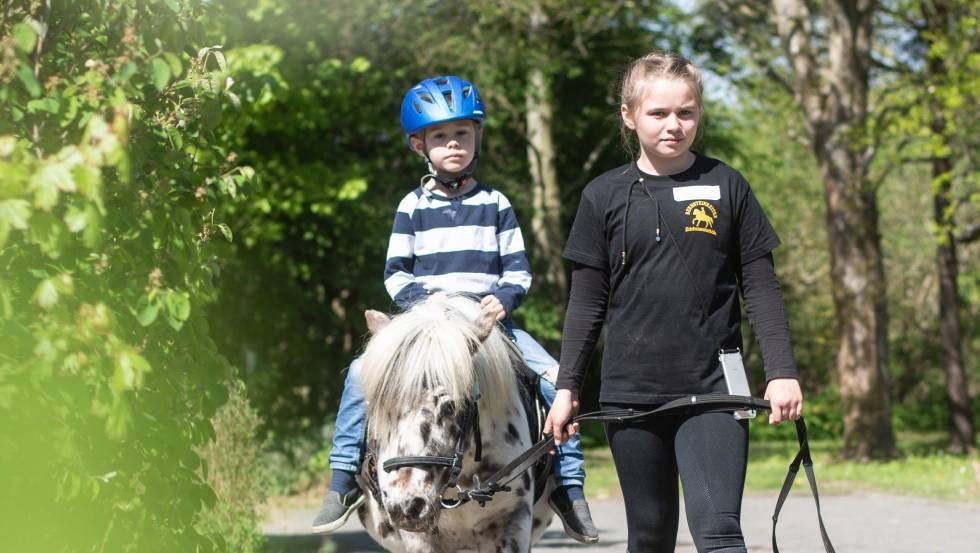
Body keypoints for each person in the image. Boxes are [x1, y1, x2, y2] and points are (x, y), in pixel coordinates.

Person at [312, 76, 598, 543]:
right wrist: (423, 311)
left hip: (486, 325)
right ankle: (344, 476)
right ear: (418, 145)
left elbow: (518, 272)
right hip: (427, 325)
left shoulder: (496, 204)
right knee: (359, 372)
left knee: (553, 378)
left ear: (477, 138)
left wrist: (502, 301)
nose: (453, 145)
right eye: (440, 137)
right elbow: (396, 272)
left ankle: (569, 486)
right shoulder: (411, 206)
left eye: (462, 134)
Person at [543, 51, 804, 553]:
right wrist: (567, 386)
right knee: (650, 536)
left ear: (698, 114)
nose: (673, 125)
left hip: (714, 391)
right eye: (658, 113)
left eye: (685, 113)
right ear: (629, 115)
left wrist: (782, 370)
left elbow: (762, 287)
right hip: (631, 397)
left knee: (720, 532)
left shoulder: (728, 185)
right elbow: (586, 303)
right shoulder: (602, 196)